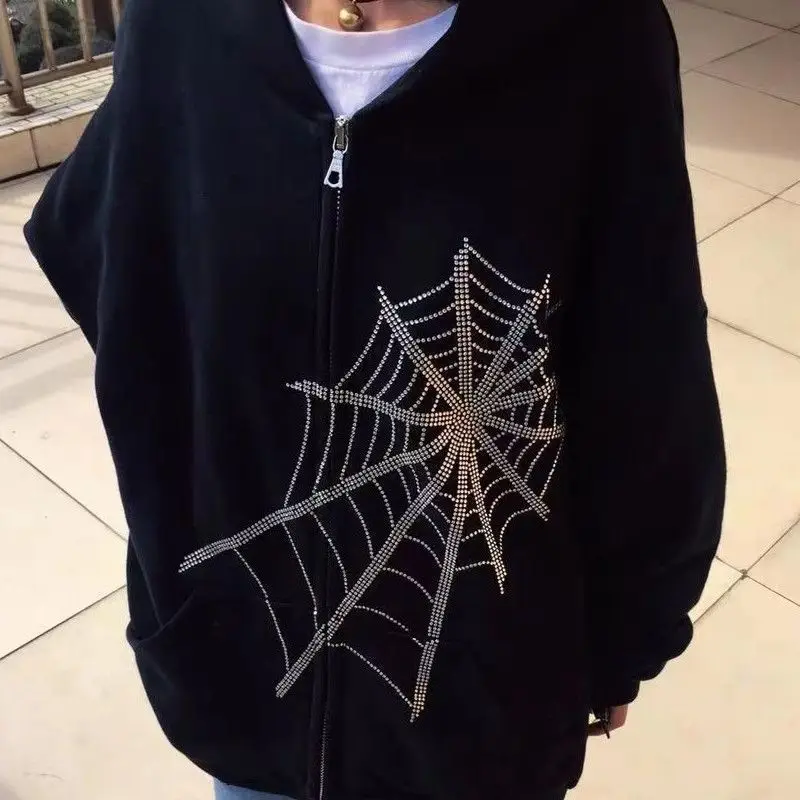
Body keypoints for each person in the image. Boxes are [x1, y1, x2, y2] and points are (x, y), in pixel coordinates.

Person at [24, 1, 726, 798]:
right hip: (243, 678)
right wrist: (180, 579)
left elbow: (648, 370)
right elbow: (123, 297)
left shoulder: (600, 33)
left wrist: (628, 633)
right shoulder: (178, 21)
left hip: (489, 710)